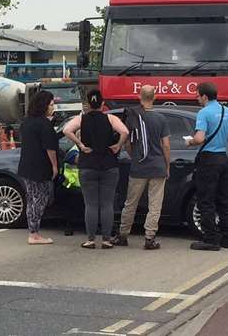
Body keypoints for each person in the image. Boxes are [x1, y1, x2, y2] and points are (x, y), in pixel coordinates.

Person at [63, 89, 129, 249]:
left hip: (87, 164)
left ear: (88, 104)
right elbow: (125, 131)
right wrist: (118, 145)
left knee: (91, 204)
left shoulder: (82, 119)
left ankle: (91, 239)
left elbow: (66, 130)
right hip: (109, 164)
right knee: (107, 204)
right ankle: (106, 239)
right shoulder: (111, 118)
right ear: (102, 104)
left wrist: (80, 145)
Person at [112, 85, 170, 250]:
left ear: (139, 97)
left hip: (138, 167)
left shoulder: (133, 117)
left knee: (131, 202)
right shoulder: (161, 119)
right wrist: (167, 165)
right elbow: (166, 145)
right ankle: (149, 237)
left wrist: (134, 157)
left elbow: (129, 143)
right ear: (155, 97)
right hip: (157, 166)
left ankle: (123, 234)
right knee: (155, 205)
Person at [186, 82, 228, 251]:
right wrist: (219, 139)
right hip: (222, 158)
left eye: (197, 95)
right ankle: (227, 237)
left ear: (205, 96)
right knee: (223, 198)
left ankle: (210, 239)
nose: (196, 98)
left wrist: (190, 142)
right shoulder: (227, 111)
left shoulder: (204, 113)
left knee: (206, 199)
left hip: (208, 160)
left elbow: (200, 138)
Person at [17, 90, 60, 245]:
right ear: (44, 106)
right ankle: (34, 234)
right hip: (40, 168)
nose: (53, 107)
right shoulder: (44, 124)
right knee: (40, 199)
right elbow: (50, 148)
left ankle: (32, 230)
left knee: (31, 198)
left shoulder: (27, 122)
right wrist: (54, 166)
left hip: (26, 166)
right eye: (51, 104)